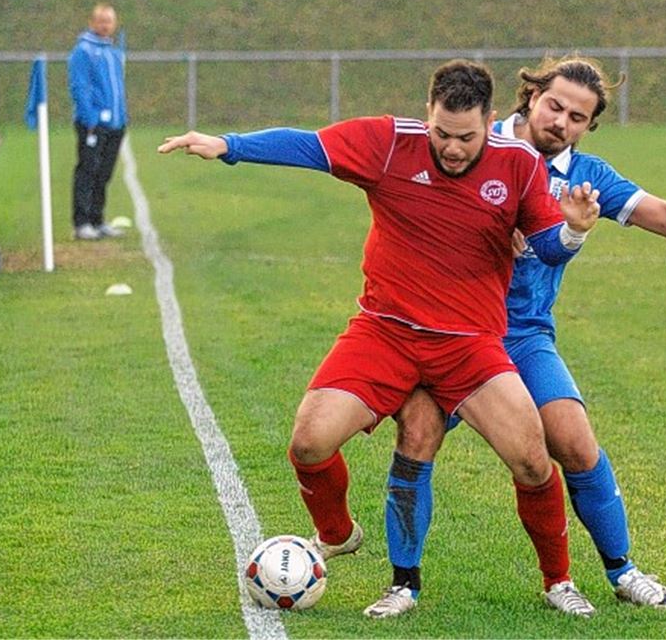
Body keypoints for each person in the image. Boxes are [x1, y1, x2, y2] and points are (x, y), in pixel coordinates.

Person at [158, 59, 603, 617]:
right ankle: (344, 538)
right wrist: (230, 145)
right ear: (428, 115)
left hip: (469, 343)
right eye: (442, 133)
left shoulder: (518, 164)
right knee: (309, 443)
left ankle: (558, 581)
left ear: (490, 120)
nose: (453, 148)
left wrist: (574, 230)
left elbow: (547, 243)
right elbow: (309, 147)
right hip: (385, 332)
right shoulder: (391, 142)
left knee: (534, 462)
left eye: (466, 137)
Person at [380, 57, 666, 616]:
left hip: (523, 335)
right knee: (418, 432)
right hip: (448, 330)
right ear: (530, 96)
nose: (561, 121)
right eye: (555, 106)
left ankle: (622, 572)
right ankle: (404, 583)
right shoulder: (475, 143)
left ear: (588, 125)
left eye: (578, 116)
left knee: (573, 442)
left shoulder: (588, 178)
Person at [67, 3, 127, 241]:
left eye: (109, 21)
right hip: (93, 124)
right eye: (101, 21)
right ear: (92, 22)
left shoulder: (114, 51)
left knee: (104, 173)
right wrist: (89, 117)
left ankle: (97, 219)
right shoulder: (84, 50)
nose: (105, 25)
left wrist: (122, 116)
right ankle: (81, 222)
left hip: (115, 123)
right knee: (88, 171)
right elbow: (79, 86)